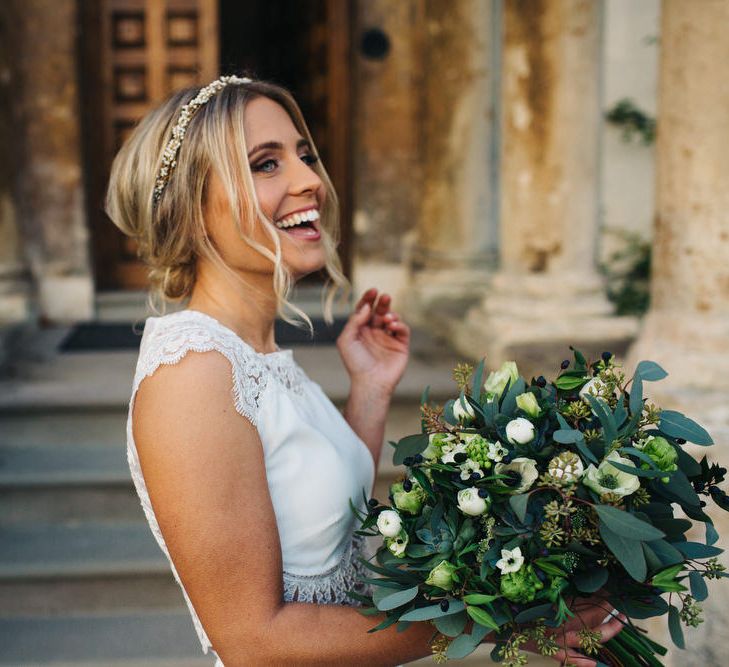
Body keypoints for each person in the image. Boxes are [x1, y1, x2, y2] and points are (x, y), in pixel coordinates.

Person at [106, 75, 624, 666]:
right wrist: (499, 617)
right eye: (266, 164)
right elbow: (254, 641)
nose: (310, 181)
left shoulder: (259, 357)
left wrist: (371, 392)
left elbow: (326, 538)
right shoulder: (192, 375)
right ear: (192, 208)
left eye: (303, 155)